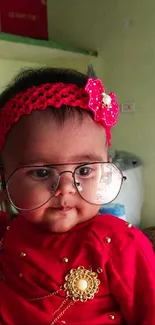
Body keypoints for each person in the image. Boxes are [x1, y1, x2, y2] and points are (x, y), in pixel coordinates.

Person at [0, 67, 155, 325]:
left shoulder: (120, 243)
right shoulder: (7, 231)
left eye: (84, 170)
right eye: (40, 172)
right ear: (5, 177)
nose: (66, 188)